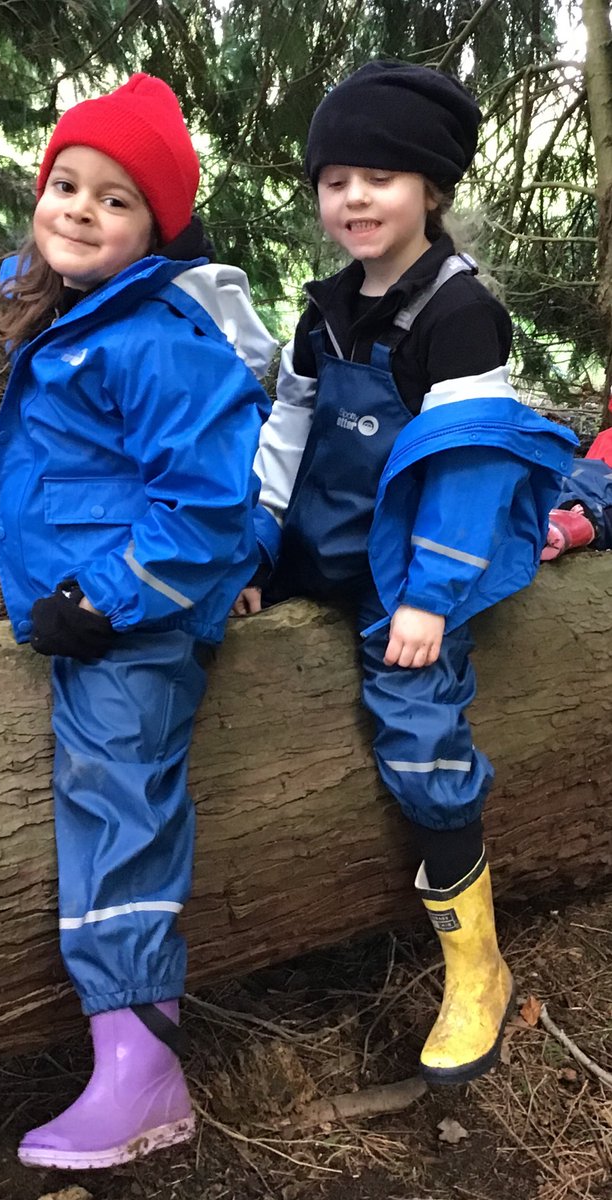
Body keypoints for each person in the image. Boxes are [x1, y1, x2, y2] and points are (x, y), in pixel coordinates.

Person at [0, 74, 275, 1168]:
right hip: (87, 613)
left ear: (155, 228)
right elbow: (93, 464)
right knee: (100, 786)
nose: (79, 209)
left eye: (115, 199)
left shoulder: (157, 337)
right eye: (66, 184)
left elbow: (204, 505)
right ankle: (130, 1057)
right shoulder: (76, 317)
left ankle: (142, 1069)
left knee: (118, 796)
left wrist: (104, 599)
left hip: (139, 626)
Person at [232, 60, 578, 1086]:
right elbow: (289, 427)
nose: (354, 198)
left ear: (430, 188)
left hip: (411, 566)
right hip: (321, 542)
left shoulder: (460, 314)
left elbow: (467, 468)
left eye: (379, 178)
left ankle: (478, 968)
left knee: (421, 734)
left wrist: (429, 598)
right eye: (335, 180)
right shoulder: (324, 307)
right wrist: (259, 547)